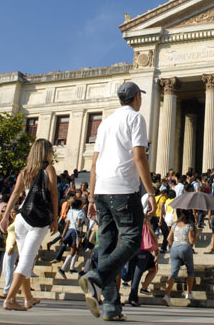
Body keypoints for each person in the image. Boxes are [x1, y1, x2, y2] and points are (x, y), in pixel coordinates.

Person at [79, 81, 156, 321]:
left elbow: (93, 163)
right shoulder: (135, 118)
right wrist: (150, 191)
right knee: (133, 240)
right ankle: (97, 277)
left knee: (107, 248)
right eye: (140, 97)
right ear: (135, 97)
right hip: (123, 189)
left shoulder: (105, 123)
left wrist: (91, 196)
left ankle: (112, 308)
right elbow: (139, 156)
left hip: (101, 191)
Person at [0, 138, 59, 311]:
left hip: (21, 218)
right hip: (38, 219)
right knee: (26, 260)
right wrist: (54, 218)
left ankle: (28, 298)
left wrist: (4, 218)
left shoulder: (25, 171)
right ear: (46, 152)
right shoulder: (49, 169)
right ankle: (9, 299)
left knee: (25, 258)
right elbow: (54, 194)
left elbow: (15, 194)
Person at [162, 210, 196, 306]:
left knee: (173, 272)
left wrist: (174, 245)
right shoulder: (189, 226)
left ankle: (167, 295)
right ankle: (188, 293)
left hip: (174, 248)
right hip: (185, 247)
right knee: (190, 270)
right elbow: (192, 241)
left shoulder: (174, 225)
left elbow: (168, 238)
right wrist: (195, 233)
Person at [126, 220, 159, 307]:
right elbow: (154, 236)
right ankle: (133, 297)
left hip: (132, 250)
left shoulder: (132, 223)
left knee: (134, 274)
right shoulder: (145, 224)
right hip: (143, 251)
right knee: (138, 274)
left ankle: (132, 296)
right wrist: (156, 249)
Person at [58, 198, 85, 278]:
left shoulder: (70, 211)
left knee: (76, 250)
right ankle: (63, 268)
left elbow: (67, 224)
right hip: (75, 232)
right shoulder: (81, 212)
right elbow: (79, 224)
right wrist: (83, 223)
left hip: (69, 230)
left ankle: (72, 267)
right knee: (73, 250)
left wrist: (63, 235)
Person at [1, 206, 19, 299]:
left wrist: (12, 246)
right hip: (8, 246)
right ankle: (8, 288)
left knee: (9, 269)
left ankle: (7, 290)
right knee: (5, 269)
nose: (12, 214)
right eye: (11, 212)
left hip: (13, 247)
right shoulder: (12, 222)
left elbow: (18, 235)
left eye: (14, 212)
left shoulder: (18, 223)